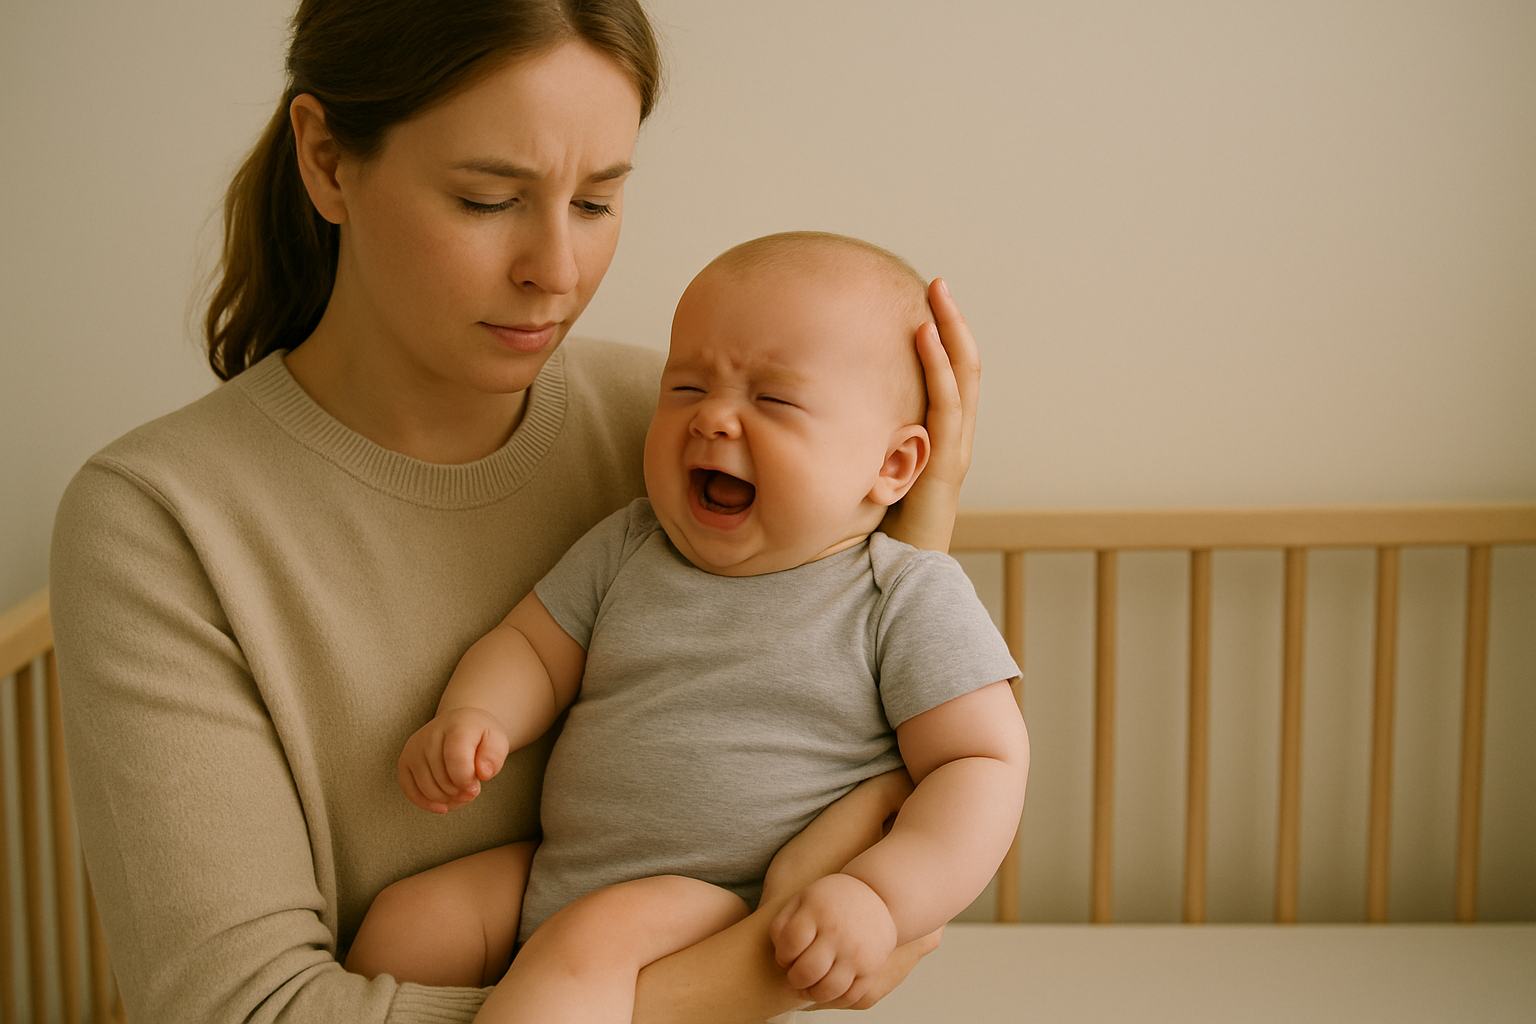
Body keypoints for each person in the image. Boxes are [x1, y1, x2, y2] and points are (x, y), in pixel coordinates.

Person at [49, 2, 982, 1022]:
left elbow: (874, 725)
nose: (559, 270)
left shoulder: (669, 429)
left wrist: (918, 518)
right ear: (326, 159)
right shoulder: (159, 521)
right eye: (489, 198)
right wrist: (750, 969)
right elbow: (242, 1010)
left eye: (596, 202)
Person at [344, 231, 1029, 1024]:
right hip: (558, 869)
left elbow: (982, 763)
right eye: (686, 388)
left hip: (721, 901)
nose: (714, 421)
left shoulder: (900, 595)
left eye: (771, 400)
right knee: (407, 925)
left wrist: (880, 897)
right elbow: (532, 646)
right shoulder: (633, 543)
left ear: (894, 467)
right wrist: (477, 716)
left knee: (585, 943)